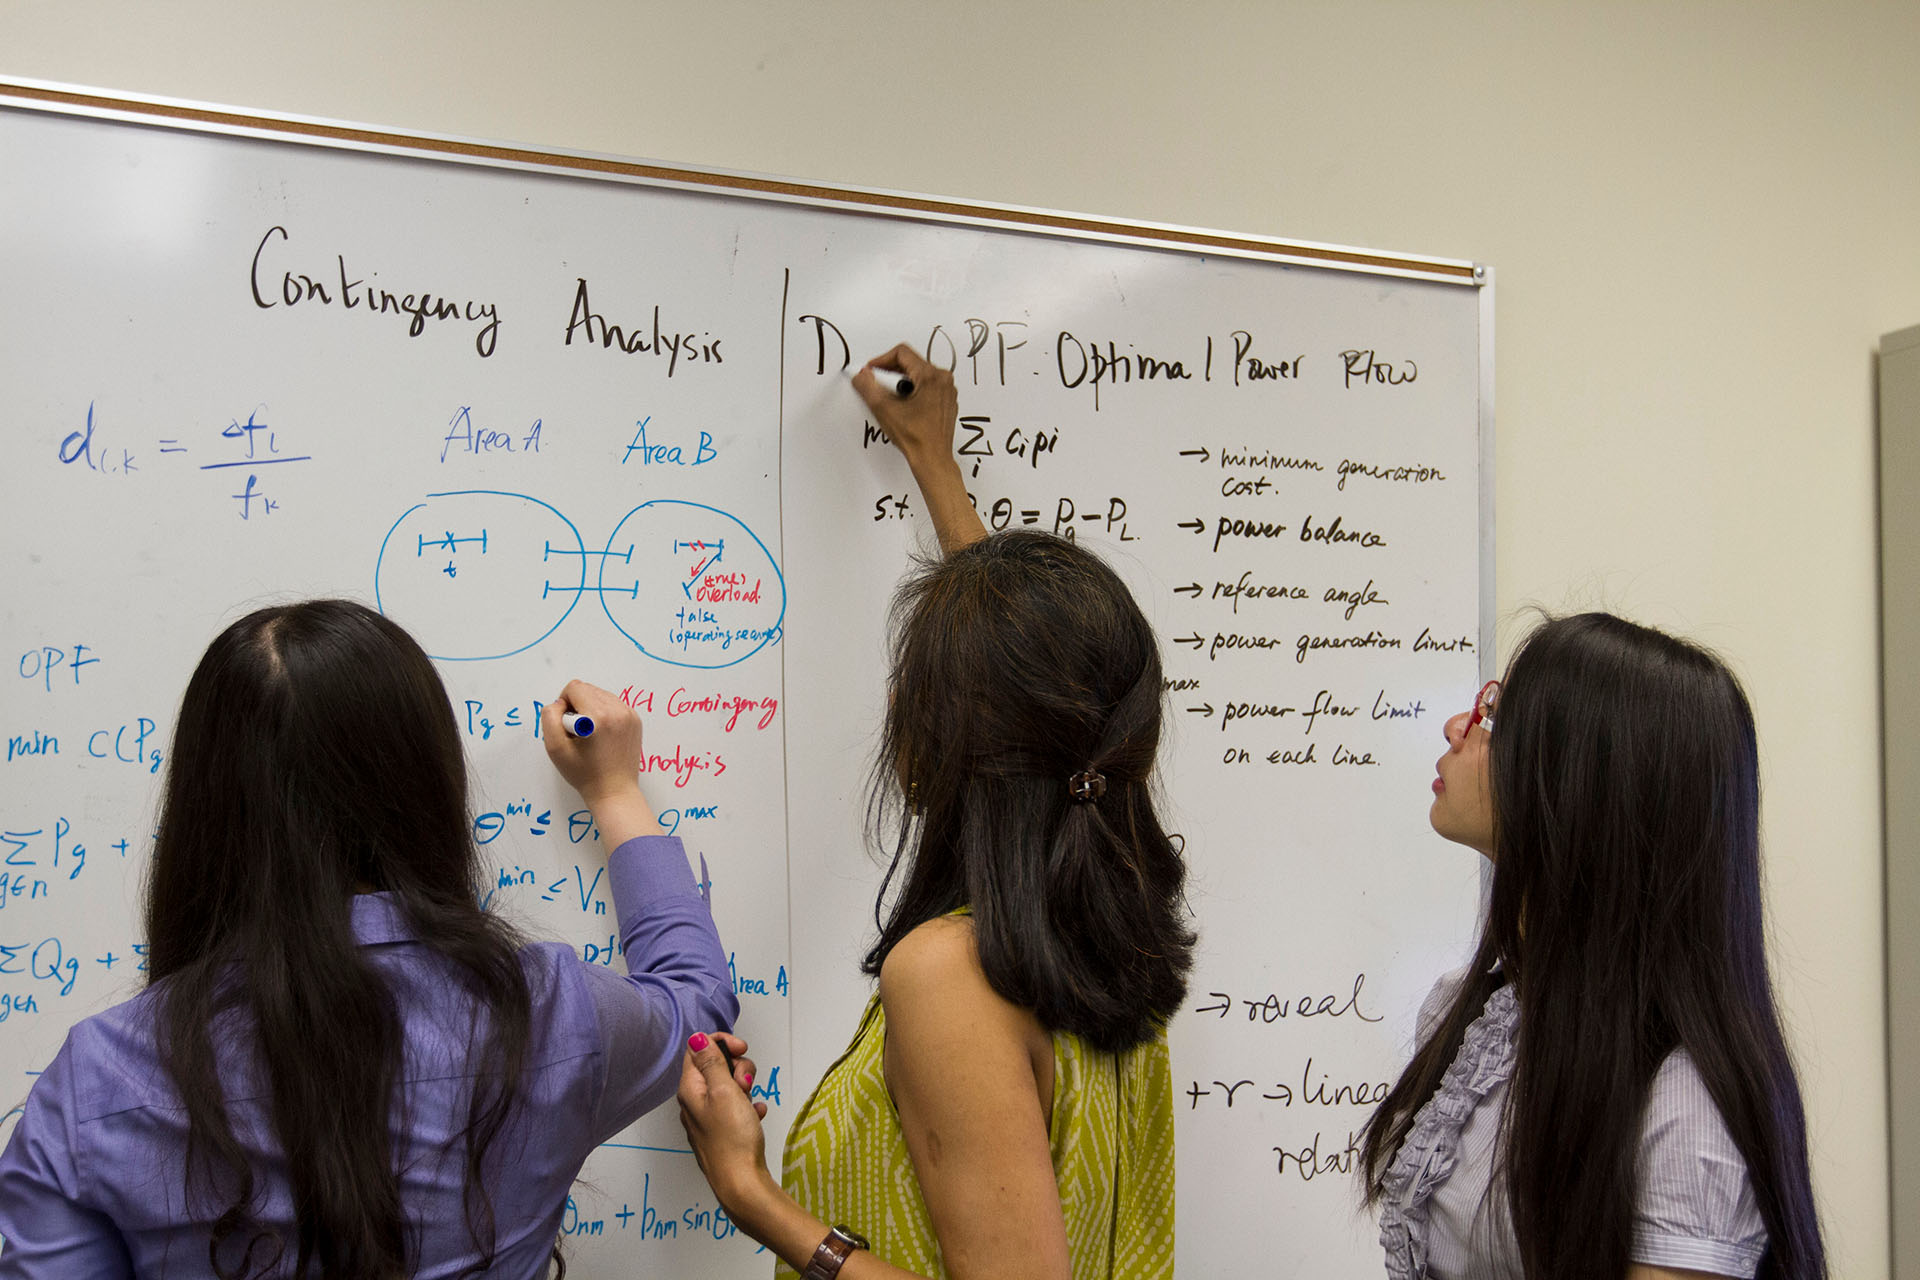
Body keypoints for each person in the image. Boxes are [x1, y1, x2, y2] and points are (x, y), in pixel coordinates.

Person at [0, 600, 739, 1279]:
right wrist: (614, 792)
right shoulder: (550, 1013)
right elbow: (695, 1007)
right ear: (425, 786)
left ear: (204, 810)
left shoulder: (97, 1079)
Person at [676, 345, 1193, 1280]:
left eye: (909, 693)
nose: (889, 708)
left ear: (951, 751)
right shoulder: (1112, 917)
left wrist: (757, 1199)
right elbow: (1043, 692)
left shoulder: (953, 975)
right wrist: (936, 468)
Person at [1359, 612, 1827, 1280]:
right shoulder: (1466, 1016)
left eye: (1495, 718)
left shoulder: (1684, 1103)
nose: (1457, 729)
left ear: (1581, 785)